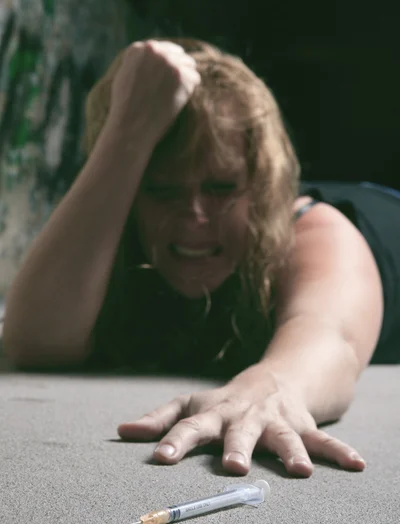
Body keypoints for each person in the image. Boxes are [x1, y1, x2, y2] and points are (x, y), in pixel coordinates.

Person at [3, 38, 399, 478]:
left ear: (261, 186)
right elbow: (34, 342)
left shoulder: (318, 232)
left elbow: (331, 337)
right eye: (162, 189)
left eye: (221, 189)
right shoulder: (115, 224)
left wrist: (264, 388)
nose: (194, 217)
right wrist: (124, 134)